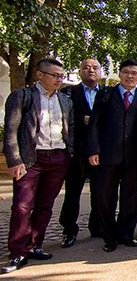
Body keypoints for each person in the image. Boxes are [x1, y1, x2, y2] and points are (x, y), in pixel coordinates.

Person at [1, 58, 73, 274]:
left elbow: (71, 129)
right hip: (31, 160)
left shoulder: (65, 100)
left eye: (61, 76)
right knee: (22, 206)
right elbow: (11, 130)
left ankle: (34, 245)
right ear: (40, 75)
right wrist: (14, 160)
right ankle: (17, 252)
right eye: (55, 75)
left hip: (58, 158)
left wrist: (69, 153)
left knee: (45, 205)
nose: (59, 80)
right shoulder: (23, 96)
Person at [88, 59, 137, 253]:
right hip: (107, 155)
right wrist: (93, 150)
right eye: (126, 72)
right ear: (120, 73)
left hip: (134, 156)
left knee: (130, 197)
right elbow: (94, 124)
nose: (130, 76)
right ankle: (109, 235)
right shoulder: (105, 95)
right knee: (105, 196)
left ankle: (126, 234)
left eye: (134, 73)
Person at [59, 58, 102, 248]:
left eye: (95, 67)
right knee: (73, 192)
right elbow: (61, 116)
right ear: (79, 71)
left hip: (101, 150)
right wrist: (82, 119)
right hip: (77, 150)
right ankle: (69, 229)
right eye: (86, 67)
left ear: (100, 71)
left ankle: (97, 226)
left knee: (99, 191)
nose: (91, 70)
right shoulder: (68, 92)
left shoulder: (107, 93)